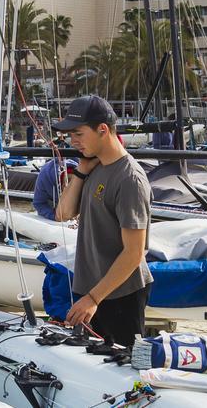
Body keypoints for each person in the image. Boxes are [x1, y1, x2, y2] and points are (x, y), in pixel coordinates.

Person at [53, 95, 152, 347]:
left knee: (124, 372)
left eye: (78, 134)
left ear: (103, 129)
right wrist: (81, 171)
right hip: (91, 290)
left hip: (119, 294)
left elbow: (134, 253)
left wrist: (94, 299)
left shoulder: (130, 179)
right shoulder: (93, 167)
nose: (72, 141)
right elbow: (62, 213)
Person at [31, 156, 78, 221]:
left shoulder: (84, 177)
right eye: (68, 181)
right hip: (52, 212)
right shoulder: (44, 177)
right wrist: (54, 216)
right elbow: (39, 204)